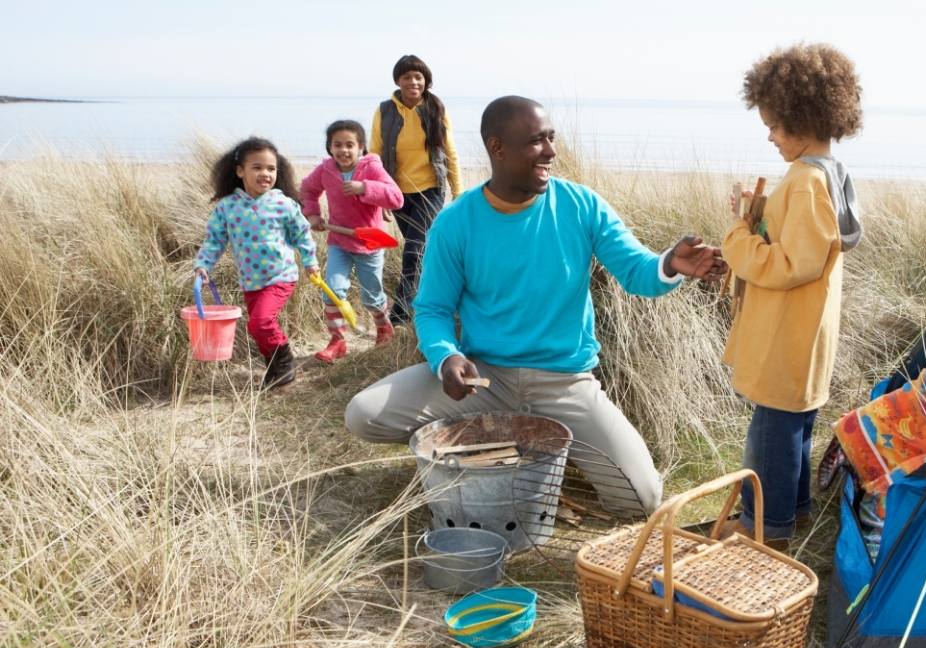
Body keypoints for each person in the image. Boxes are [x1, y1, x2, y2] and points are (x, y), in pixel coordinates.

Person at [345, 96, 727, 514]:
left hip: (565, 384)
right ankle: (485, 442)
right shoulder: (456, 221)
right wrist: (445, 357)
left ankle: (535, 447)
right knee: (364, 414)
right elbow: (433, 309)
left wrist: (670, 263)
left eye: (551, 138)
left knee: (640, 499)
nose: (550, 151)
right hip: (484, 381)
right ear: (497, 148)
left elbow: (638, 272)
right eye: (535, 141)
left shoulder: (582, 206)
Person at [721, 43, 864, 548]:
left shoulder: (804, 181)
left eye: (775, 125)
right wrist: (760, 218)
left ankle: (765, 529)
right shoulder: (830, 173)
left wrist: (739, 236)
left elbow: (791, 263)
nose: (769, 134)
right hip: (806, 332)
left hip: (786, 334)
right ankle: (794, 512)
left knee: (771, 438)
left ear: (802, 121)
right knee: (794, 427)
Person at [194, 137, 320, 389]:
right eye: (257, 167)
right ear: (240, 171)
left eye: (271, 169)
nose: (265, 173)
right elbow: (215, 240)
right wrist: (203, 265)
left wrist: (310, 262)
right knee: (258, 328)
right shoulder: (227, 207)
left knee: (260, 322)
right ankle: (276, 371)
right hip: (250, 280)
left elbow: (302, 235)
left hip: (281, 276)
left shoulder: (283, 204)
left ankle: (284, 364)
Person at [369, 55, 463, 325]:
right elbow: (374, 154)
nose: (413, 82)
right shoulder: (385, 110)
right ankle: (433, 300)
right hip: (397, 193)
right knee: (422, 252)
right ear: (398, 80)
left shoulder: (436, 109)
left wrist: (458, 193)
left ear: (426, 81)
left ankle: (400, 314)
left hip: (430, 190)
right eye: (407, 76)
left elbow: (450, 152)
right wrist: (378, 197)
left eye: (418, 77)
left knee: (414, 250)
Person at [301, 120, 405, 362]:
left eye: (350, 144)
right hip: (339, 241)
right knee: (333, 292)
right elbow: (307, 190)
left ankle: (383, 328)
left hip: (369, 243)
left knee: (371, 296)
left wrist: (364, 187)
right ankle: (337, 341)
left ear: (361, 147)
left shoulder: (371, 168)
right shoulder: (325, 170)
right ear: (330, 147)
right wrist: (313, 213)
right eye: (337, 145)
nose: (343, 150)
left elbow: (396, 199)